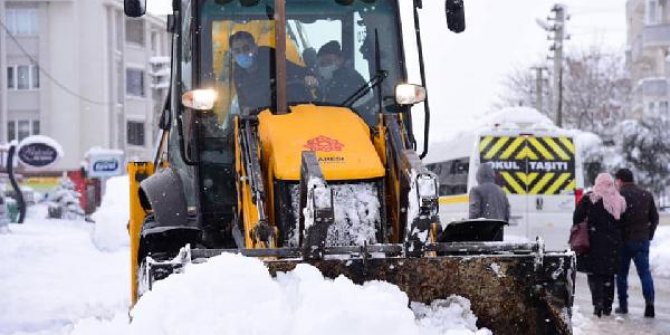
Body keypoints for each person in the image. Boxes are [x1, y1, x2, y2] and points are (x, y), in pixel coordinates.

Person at [573, 173, 627, 317]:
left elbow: (576, 218)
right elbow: (623, 222)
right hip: (613, 244)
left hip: (594, 242)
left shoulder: (589, 199)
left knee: (595, 275)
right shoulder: (619, 200)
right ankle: (608, 306)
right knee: (609, 276)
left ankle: (598, 305)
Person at [228, 31, 311, 114]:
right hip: (261, 120)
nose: (242, 53)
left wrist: (309, 77)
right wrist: (246, 110)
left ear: (255, 48)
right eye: (237, 51)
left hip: (289, 113)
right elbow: (243, 103)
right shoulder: (238, 74)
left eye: (246, 48)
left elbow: (301, 72)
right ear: (232, 54)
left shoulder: (273, 60)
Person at [614, 168, 659, 318]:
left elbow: (614, 219)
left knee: (621, 275)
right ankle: (650, 304)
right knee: (645, 273)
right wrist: (648, 234)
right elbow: (655, 218)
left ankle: (623, 305)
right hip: (641, 240)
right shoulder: (646, 194)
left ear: (620, 180)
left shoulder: (619, 195)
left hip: (623, 241)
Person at [315, 41, 374, 123]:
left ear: (340, 60)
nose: (326, 66)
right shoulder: (332, 81)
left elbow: (331, 109)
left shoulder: (347, 79)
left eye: (329, 61)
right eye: (322, 64)